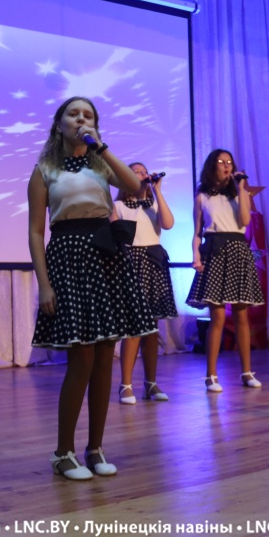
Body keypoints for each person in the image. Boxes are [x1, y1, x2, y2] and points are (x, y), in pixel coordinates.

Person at [28, 96, 156, 481]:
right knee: (81, 358)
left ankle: (95, 448)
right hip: (68, 257)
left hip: (106, 256)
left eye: (89, 115)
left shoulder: (101, 163)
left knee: (104, 356)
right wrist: (44, 284)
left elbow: (135, 187)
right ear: (59, 124)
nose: (81, 119)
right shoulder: (44, 169)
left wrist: (102, 147)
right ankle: (62, 452)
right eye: (74, 114)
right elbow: (35, 232)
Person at [186, 149, 265, 392]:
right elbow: (197, 232)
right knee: (218, 317)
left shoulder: (240, 194)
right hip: (214, 252)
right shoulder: (202, 197)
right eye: (221, 162)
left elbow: (245, 221)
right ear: (212, 166)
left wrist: (241, 188)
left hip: (238, 251)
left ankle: (246, 372)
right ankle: (211, 375)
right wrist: (196, 256)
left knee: (242, 316)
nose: (226, 165)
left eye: (229, 162)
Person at [114, 162, 176, 403]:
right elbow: (115, 239)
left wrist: (157, 191)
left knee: (152, 329)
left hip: (154, 263)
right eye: (136, 172)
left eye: (143, 171)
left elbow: (168, 224)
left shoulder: (154, 205)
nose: (142, 174)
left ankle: (150, 384)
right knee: (134, 328)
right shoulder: (118, 206)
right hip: (132, 264)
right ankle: (126, 385)